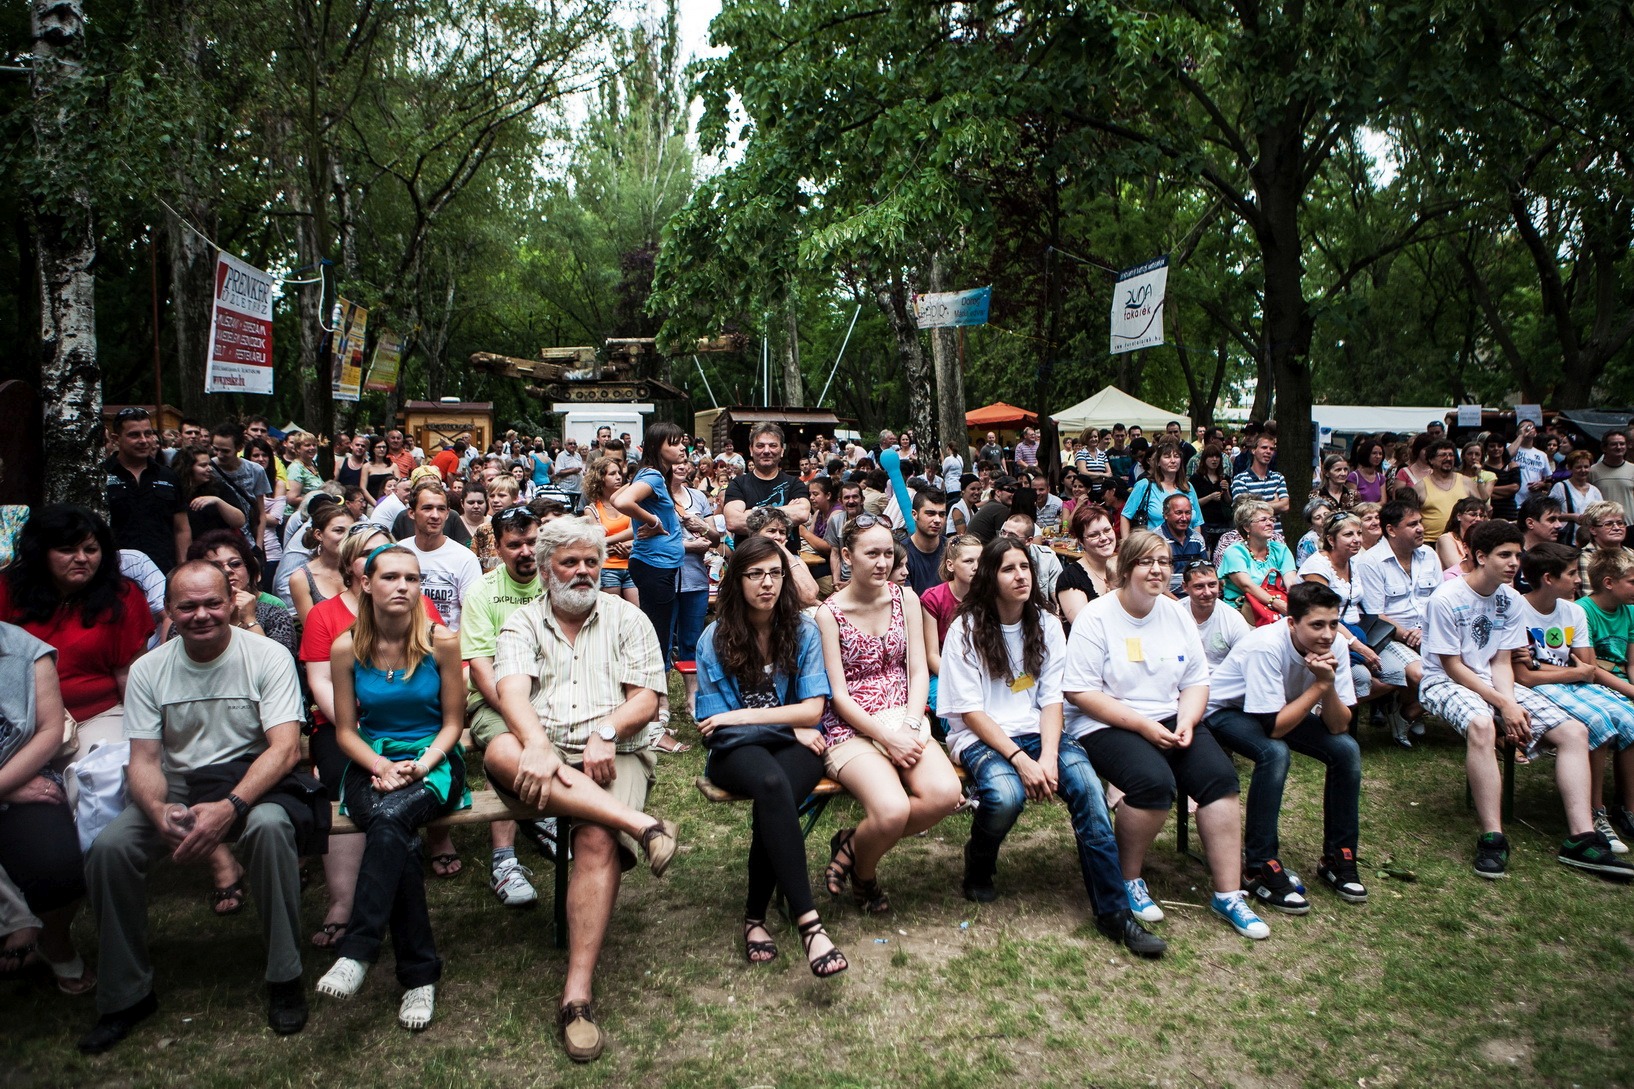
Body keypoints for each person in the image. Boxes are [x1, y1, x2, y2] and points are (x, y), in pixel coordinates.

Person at [79, 562, 312, 1053]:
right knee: (110, 849)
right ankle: (126, 994)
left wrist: (230, 806)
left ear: (232, 602)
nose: (201, 615)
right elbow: (142, 759)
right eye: (187, 606)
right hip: (180, 785)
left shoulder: (266, 656)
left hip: (254, 781)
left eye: (212, 603)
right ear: (169, 610)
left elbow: (284, 749)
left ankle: (285, 976)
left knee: (270, 832)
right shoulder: (150, 668)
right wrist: (158, 808)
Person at [490, 517, 681, 1062]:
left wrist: (605, 732)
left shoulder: (628, 617)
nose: (581, 572)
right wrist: (536, 744)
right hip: (540, 750)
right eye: (570, 562)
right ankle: (645, 828)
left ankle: (576, 996)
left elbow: (645, 699)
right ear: (547, 567)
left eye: (590, 562)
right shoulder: (522, 623)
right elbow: (511, 694)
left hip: (614, 751)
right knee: (500, 749)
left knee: (594, 839)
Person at [941, 537, 1165, 956]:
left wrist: (1046, 756)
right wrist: (1022, 761)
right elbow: (971, 712)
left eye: (1024, 566)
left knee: (1088, 790)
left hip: (1041, 734)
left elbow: (1051, 698)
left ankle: (1114, 913)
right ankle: (980, 860)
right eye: (1008, 568)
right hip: (983, 735)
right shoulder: (965, 630)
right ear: (991, 576)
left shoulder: (1044, 623)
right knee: (1005, 795)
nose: (1020, 575)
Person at [1063, 531, 1269, 940]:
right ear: (1126, 568)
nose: (1157, 570)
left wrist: (1189, 721)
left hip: (1171, 715)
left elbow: (1196, 680)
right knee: (1153, 784)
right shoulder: (1097, 616)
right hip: (1105, 721)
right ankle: (1128, 878)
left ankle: (1228, 894)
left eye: (1164, 561)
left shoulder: (1176, 613)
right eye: (1146, 562)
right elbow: (1079, 691)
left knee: (1220, 780)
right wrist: (1143, 726)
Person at [1417, 520, 1630, 879]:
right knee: (1483, 726)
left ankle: (1581, 837)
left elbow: (1501, 661)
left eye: (1517, 554)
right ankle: (1493, 838)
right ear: (1480, 556)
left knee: (1574, 731)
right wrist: (1503, 704)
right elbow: (1452, 667)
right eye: (1504, 555)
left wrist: (1509, 700)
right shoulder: (1446, 598)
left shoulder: (1509, 599)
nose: (1515, 562)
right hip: (1443, 681)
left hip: (1492, 678)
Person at [314, 547, 469, 1030]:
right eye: (392, 577)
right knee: (390, 827)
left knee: (390, 818)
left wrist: (419, 767)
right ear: (367, 584)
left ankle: (358, 950)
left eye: (413, 578)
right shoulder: (346, 647)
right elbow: (344, 731)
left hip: (435, 760)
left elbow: (453, 724)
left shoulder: (441, 642)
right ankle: (419, 976)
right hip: (371, 758)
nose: (403, 586)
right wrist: (381, 764)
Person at [693, 537, 848, 976]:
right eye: (755, 574)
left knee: (774, 794)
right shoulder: (714, 639)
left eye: (775, 573)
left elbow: (814, 711)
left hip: (798, 745)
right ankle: (810, 925)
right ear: (736, 581)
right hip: (736, 753)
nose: (767, 584)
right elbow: (715, 727)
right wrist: (785, 724)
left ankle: (754, 917)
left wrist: (744, 717)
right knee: (771, 784)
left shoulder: (802, 630)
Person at [816, 517, 961, 915]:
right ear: (847, 556)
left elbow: (917, 671)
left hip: (904, 715)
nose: (882, 563)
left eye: (887, 554)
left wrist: (912, 725)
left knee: (945, 795)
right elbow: (839, 696)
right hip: (851, 728)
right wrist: (886, 736)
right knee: (892, 810)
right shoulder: (828, 614)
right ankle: (866, 876)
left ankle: (852, 844)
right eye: (871, 554)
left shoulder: (905, 599)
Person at [1204, 582, 1367, 912]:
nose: (1327, 633)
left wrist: (1328, 686)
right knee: (1274, 753)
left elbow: (1338, 725)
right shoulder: (1266, 646)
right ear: (1292, 622)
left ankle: (1338, 857)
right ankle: (1259, 864)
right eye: (1317, 625)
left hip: (1279, 708)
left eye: (1334, 624)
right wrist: (1319, 685)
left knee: (1346, 749)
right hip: (1225, 709)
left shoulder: (1333, 647)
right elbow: (1275, 729)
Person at [0, 506, 155, 762]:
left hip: (94, 717)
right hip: (14, 720)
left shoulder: (123, 596)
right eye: (67, 549)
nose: (82, 558)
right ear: (42, 553)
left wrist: (147, 741)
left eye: (91, 550)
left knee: (107, 771)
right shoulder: (7, 589)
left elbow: (131, 677)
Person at [1513, 543, 1634, 853]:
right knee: (1597, 721)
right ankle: (1596, 814)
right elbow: (1524, 677)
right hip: (1539, 689)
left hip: (1566, 683)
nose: (1578, 580)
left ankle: (1628, 808)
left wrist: (1551, 667)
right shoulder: (1517, 609)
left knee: (1629, 718)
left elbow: (1588, 667)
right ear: (1549, 578)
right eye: (1570, 574)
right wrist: (1570, 672)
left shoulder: (1573, 610)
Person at [0, 623, 94, 993]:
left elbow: (48, 731)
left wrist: (5, 786)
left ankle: (52, 938)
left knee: (60, 869)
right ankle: (15, 921)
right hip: (12, 786)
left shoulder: (27, 651)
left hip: (19, 776)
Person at [610, 422, 689, 671]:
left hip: (658, 565)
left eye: (681, 441)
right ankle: (654, 701)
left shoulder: (651, 474)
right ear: (657, 446)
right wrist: (653, 521)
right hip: (654, 566)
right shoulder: (653, 475)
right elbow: (622, 501)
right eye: (673, 443)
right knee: (657, 637)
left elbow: (613, 498)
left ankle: (654, 697)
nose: (682, 448)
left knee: (658, 633)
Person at [104, 407, 189, 573]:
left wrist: (182, 568)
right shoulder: (102, 476)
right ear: (116, 439)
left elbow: (182, 528)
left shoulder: (168, 476)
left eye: (148, 434)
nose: (143, 440)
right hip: (115, 571)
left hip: (163, 569)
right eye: (134, 435)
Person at [187, 530, 297, 656]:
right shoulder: (192, 614)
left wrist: (250, 620)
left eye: (235, 564)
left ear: (249, 570)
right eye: (216, 566)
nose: (228, 570)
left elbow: (280, 663)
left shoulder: (274, 613)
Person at [396, 479, 482, 633]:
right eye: (427, 508)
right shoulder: (397, 552)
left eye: (441, 509)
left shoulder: (464, 559)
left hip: (448, 646)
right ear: (411, 513)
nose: (435, 515)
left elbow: (473, 617)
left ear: (448, 514)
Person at [722, 423, 812, 536]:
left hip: (787, 553)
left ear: (782, 450)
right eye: (760, 446)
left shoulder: (794, 483)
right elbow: (733, 522)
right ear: (751, 449)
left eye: (773, 445)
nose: (766, 451)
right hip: (751, 553)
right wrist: (787, 510)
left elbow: (802, 513)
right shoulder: (738, 484)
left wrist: (753, 511)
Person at [1218, 499, 1297, 622]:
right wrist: (1278, 604)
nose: (1270, 523)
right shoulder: (1234, 552)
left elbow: (1292, 583)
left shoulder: (1281, 550)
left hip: (1278, 609)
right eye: (1263, 520)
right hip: (1242, 611)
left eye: (1271, 519)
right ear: (1246, 527)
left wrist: (1296, 606)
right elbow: (1247, 586)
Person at [289, 505, 354, 628]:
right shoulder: (302, 579)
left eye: (350, 532)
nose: (346, 537)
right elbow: (312, 630)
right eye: (339, 530)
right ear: (319, 534)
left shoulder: (358, 570)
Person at [583, 456, 637, 604]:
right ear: (600, 478)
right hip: (608, 568)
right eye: (612, 474)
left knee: (638, 613)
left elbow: (635, 533)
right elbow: (595, 543)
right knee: (613, 613)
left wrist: (612, 543)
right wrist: (624, 543)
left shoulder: (628, 503)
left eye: (619, 473)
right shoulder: (592, 510)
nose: (618, 477)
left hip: (631, 564)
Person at [1055, 503, 1118, 626]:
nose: (1104, 538)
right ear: (1081, 542)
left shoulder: (1126, 567)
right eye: (1094, 535)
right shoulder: (1071, 578)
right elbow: (1083, 626)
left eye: (1107, 530)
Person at [209, 422, 270, 549]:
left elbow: (261, 513)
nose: (219, 455)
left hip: (249, 539)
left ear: (239, 447)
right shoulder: (209, 469)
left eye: (225, 451)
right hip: (220, 537)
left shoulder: (255, 470)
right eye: (216, 449)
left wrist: (258, 545)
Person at [1122, 440, 1202, 536]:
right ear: (1158, 462)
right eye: (1167, 457)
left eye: (1176, 456)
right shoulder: (1144, 485)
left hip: (1186, 547)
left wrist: (1198, 546)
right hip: (1154, 546)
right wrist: (1126, 545)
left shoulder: (1188, 486)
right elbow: (1125, 516)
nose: (1173, 461)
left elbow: (1197, 523)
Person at [1184, 560, 1251, 668]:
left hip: (1221, 681)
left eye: (1212, 585)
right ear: (1185, 587)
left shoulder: (1233, 620)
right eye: (1199, 586)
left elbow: (1246, 662)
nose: (1207, 592)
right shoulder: (1175, 613)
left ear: (1219, 585)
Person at [1413, 439, 1478, 545]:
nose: (1448, 458)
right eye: (1443, 455)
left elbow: (1481, 509)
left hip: (1463, 541)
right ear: (1431, 460)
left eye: (1451, 455)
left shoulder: (1467, 482)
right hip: (1431, 542)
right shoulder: (1420, 487)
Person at [177, 444, 248, 540]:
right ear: (188, 467)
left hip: (219, 546)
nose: (209, 469)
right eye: (203, 465)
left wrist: (218, 501)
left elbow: (239, 521)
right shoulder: (176, 490)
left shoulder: (219, 487)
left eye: (209, 464)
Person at [1230, 433, 1289, 524]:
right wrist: (1275, 503)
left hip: (1276, 535)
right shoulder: (1240, 479)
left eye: (1272, 449)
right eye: (1264, 447)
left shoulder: (1278, 477)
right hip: (1252, 535)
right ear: (1253, 450)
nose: (1268, 451)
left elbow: (1285, 506)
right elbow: (1244, 512)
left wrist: (1254, 505)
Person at [1156, 494, 1207, 594]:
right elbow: (1156, 583)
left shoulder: (1197, 538)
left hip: (1194, 596)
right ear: (1166, 515)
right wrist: (1180, 606)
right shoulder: (1156, 540)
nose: (1184, 518)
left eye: (1188, 513)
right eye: (1178, 513)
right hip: (1165, 598)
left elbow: (1205, 571)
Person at [903, 489, 948, 595]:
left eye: (942, 514)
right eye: (931, 514)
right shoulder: (901, 553)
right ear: (914, 515)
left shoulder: (952, 549)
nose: (937, 520)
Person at [1551, 450, 1602, 544]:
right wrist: (1571, 516)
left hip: (1590, 541)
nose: (1583, 470)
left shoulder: (1595, 491)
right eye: (1578, 467)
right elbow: (1548, 514)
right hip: (1567, 540)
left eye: (1586, 467)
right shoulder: (1560, 487)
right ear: (1569, 468)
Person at [1189, 444, 1232, 550]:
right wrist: (1210, 497)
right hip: (1205, 523)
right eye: (1211, 457)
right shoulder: (1196, 478)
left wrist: (1226, 491)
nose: (1214, 460)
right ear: (1204, 459)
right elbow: (1193, 503)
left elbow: (1229, 501)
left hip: (1223, 524)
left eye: (1217, 457)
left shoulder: (1224, 477)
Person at [1434, 497, 1489, 579]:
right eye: (1473, 514)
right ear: (1459, 516)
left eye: (1481, 516)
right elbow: (1459, 569)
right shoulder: (1446, 539)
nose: (1478, 519)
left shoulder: (1484, 539)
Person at [1589, 430, 1634, 514]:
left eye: (1622, 444)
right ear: (1604, 448)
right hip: (1604, 524)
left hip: (1630, 524)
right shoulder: (1592, 471)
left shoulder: (1632, 469)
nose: (1619, 447)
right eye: (1614, 444)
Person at [966, 476, 1019, 543]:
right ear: (998, 492)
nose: (1013, 494)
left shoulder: (992, 506)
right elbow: (1003, 541)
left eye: (1016, 491)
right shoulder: (1000, 509)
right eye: (1010, 490)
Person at [1511, 419, 1552, 494]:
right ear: (1517, 433)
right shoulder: (1509, 447)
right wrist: (1521, 435)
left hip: (1533, 501)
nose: (1527, 430)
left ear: (1535, 433)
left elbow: (1549, 481)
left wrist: (1542, 484)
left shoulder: (1542, 455)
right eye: (1523, 427)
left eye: (1530, 427)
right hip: (1513, 500)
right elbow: (1507, 455)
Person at [1347, 439, 1387, 506]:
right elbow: (1352, 502)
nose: (1378, 456)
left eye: (1380, 454)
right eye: (1374, 453)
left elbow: (1383, 501)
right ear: (1366, 454)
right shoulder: (1354, 477)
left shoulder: (1381, 478)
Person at [553, 437, 586, 510]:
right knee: (568, 511)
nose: (573, 445)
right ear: (565, 445)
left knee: (577, 510)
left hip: (578, 489)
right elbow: (558, 472)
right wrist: (572, 470)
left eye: (574, 444)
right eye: (570, 444)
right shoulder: (561, 456)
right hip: (567, 490)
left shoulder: (578, 455)